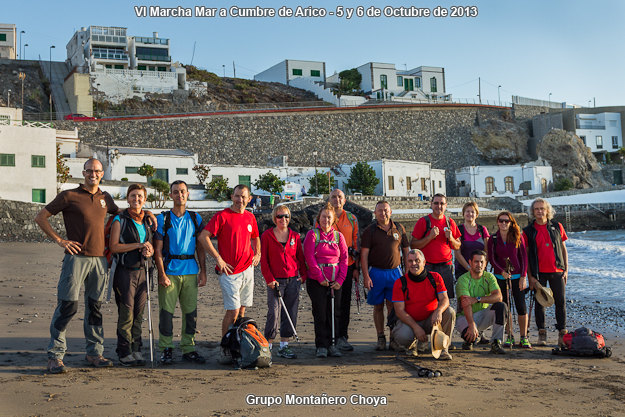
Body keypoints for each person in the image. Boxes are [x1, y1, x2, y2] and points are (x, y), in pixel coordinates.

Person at [35, 158, 119, 373]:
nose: (93, 174)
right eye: (89, 170)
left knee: (95, 308)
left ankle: (94, 353)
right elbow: (41, 217)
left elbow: (122, 216)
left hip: (100, 260)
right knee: (67, 307)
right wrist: (60, 240)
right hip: (76, 259)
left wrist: (145, 214)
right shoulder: (69, 196)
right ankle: (55, 356)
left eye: (97, 171)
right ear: (84, 173)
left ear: (102, 174)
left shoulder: (105, 198)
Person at [154, 180, 207, 365]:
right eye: (176, 192)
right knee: (166, 313)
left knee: (190, 313)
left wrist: (203, 272)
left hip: (191, 270)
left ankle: (188, 348)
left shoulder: (195, 218)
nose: (180, 195)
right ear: (171, 195)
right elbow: (158, 250)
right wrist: (161, 273)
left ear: (188, 194)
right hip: (170, 271)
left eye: (183, 191)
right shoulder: (163, 219)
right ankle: (166, 348)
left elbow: (201, 247)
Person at [200, 185, 261, 341]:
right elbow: (203, 237)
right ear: (232, 197)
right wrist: (218, 259)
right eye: (237, 196)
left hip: (248, 270)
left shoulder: (250, 217)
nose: (240, 200)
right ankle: (225, 345)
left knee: (241, 310)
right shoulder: (222, 216)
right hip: (229, 272)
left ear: (249, 199)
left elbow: (255, 236)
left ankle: (237, 342)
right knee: (232, 310)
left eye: (243, 197)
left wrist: (258, 253)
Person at [109, 184, 154, 366]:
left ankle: (137, 349)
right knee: (126, 313)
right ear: (127, 199)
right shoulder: (120, 220)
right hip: (124, 272)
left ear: (144, 199)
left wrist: (148, 250)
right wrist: (138, 245)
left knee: (139, 313)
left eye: (140, 196)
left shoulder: (147, 221)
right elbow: (114, 247)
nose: (137, 199)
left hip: (143, 272)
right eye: (133, 196)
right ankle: (124, 351)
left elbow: (149, 244)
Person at [361, 200, 410, 351]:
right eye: (380, 210)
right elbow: (364, 255)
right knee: (377, 307)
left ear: (391, 212)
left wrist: (407, 274)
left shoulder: (399, 228)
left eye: (386, 210)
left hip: (395, 273)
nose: (383, 213)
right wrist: (366, 276)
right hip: (376, 272)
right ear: (375, 213)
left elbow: (407, 251)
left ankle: (393, 338)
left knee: (393, 307)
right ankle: (380, 337)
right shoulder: (370, 231)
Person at [260, 205, 307, 359]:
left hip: (293, 280)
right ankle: (269, 346)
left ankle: (284, 345)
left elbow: (300, 257)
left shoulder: (295, 236)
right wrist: (269, 279)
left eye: (286, 216)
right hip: (275, 281)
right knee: (273, 312)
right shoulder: (267, 235)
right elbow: (264, 261)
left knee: (290, 312)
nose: (283, 219)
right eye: (280, 216)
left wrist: (303, 276)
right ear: (275, 218)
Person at [391, 249, 454, 360]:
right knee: (403, 336)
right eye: (410, 261)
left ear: (424, 262)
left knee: (449, 312)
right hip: (410, 322)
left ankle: (443, 348)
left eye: (417, 260)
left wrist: (438, 311)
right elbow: (399, 311)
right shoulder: (400, 282)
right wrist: (415, 327)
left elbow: (445, 299)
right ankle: (412, 345)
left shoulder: (435, 277)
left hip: (431, 320)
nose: (414, 264)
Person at [303, 203, 348, 358]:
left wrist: (340, 280)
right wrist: (320, 278)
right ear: (319, 218)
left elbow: (344, 259)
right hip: (317, 281)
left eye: (329, 217)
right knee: (320, 313)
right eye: (323, 217)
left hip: (336, 281)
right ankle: (321, 345)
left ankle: (333, 345)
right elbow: (309, 258)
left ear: (333, 219)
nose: (326, 220)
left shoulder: (338, 236)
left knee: (334, 313)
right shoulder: (312, 235)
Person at [522, 198, 569, 347]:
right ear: (533, 212)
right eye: (536, 209)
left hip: (557, 270)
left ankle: (562, 333)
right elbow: (527, 256)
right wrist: (530, 277)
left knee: (560, 302)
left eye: (542, 208)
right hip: (538, 273)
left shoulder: (557, 226)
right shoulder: (528, 231)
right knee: (539, 303)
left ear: (547, 210)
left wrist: (566, 269)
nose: (539, 211)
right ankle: (542, 333)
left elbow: (563, 248)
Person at [488, 211, 530, 349]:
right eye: (501, 221)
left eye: (507, 221)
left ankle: (524, 337)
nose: (504, 223)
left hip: (517, 277)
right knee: (506, 307)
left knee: (521, 307)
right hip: (500, 277)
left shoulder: (518, 237)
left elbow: (524, 258)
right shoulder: (493, 238)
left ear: (511, 223)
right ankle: (510, 335)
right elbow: (492, 259)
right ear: (497, 222)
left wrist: (523, 276)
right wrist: (501, 271)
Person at [456, 250, 508, 354]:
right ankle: (470, 340)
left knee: (501, 306)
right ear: (470, 262)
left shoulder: (489, 277)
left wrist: (477, 299)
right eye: (476, 262)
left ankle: (496, 342)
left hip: (483, 315)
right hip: (465, 317)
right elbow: (466, 304)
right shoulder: (463, 279)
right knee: (470, 338)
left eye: (481, 262)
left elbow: (499, 297)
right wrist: (471, 325)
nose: (479, 265)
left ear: (485, 264)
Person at [411, 193, 461, 299]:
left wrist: (451, 238)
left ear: (446, 205)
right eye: (436, 203)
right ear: (431, 204)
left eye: (442, 203)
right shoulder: (423, 222)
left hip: (446, 268)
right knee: (428, 299)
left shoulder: (450, 223)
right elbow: (413, 245)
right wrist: (429, 237)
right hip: (428, 267)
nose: (439, 206)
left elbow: (457, 246)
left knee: (446, 300)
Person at [327, 189, 360, 352]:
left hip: (347, 266)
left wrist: (356, 268)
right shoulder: (324, 217)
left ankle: (342, 337)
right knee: (329, 303)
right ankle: (329, 337)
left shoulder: (352, 219)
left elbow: (356, 243)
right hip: (328, 267)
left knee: (344, 303)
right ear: (329, 199)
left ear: (345, 200)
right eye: (333, 197)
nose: (337, 200)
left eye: (340, 197)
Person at [453, 202, 490, 281]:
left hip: (480, 271)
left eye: (472, 212)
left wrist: (481, 268)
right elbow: (457, 253)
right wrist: (470, 269)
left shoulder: (482, 230)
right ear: (463, 213)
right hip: (463, 272)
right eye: (467, 211)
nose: (470, 214)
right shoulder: (459, 230)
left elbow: (487, 251)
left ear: (476, 214)